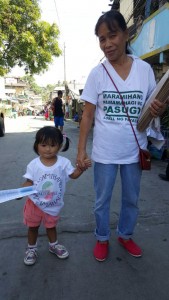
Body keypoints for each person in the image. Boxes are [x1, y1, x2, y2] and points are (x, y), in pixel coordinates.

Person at [76, 10, 168, 262]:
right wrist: (81, 150)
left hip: (134, 149)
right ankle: (102, 237)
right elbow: (87, 115)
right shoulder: (98, 74)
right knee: (102, 200)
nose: (107, 44)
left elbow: (153, 104)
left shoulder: (144, 70)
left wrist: (159, 107)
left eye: (112, 36)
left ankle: (125, 235)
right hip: (105, 152)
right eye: (101, 39)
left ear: (126, 35)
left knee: (131, 199)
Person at [20, 126, 91, 266]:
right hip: (34, 204)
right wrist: (20, 192)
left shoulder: (63, 163)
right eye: (43, 145)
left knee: (51, 227)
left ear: (59, 146)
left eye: (52, 145)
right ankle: (31, 249)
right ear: (37, 145)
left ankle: (53, 245)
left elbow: (74, 175)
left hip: (53, 204)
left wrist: (81, 169)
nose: (48, 149)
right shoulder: (33, 165)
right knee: (32, 228)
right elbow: (29, 181)